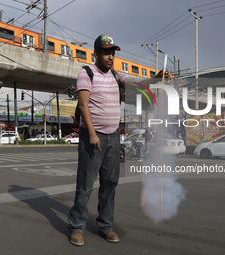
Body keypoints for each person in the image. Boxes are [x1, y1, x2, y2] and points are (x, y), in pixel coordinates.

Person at [68, 34, 169, 246]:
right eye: (106, 52)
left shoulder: (116, 75)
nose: (110, 57)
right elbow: (84, 105)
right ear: (96, 53)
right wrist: (93, 133)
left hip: (114, 137)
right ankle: (77, 227)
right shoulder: (86, 74)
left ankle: (105, 225)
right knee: (85, 184)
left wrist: (156, 78)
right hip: (92, 137)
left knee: (110, 184)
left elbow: (138, 85)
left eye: (112, 53)